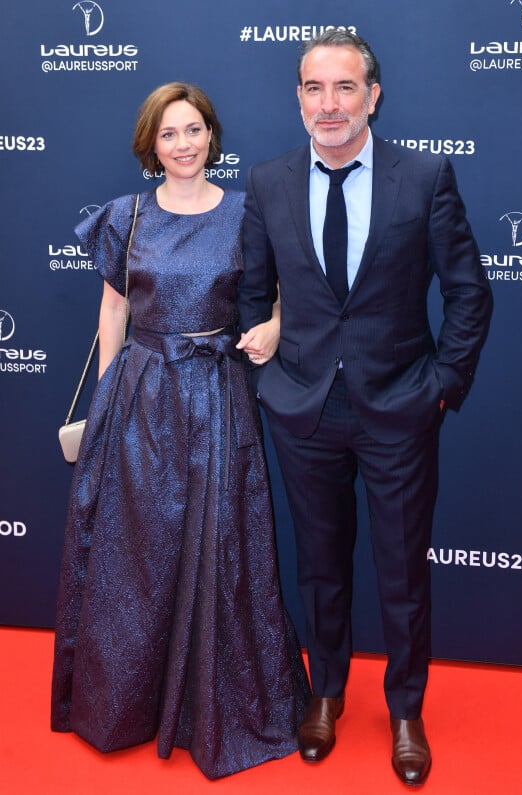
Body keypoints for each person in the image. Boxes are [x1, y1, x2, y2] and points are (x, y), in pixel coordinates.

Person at [237, 30, 493, 787]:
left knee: (401, 570)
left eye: (345, 87)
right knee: (319, 565)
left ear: (373, 96)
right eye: (314, 88)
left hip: (400, 406)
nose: (330, 104)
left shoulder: (424, 177)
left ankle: (406, 707)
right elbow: (255, 291)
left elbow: (469, 290)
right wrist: (269, 379)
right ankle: (325, 692)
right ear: (299, 98)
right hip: (303, 409)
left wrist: (442, 382)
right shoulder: (270, 181)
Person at [51, 82, 310, 780]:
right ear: (151, 145)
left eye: (194, 129)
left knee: (222, 546)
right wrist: (109, 392)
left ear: (212, 135)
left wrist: (275, 327)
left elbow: (286, 291)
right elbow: (113, 311)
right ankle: (123, 704)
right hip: (141, 395)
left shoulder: (246, 213)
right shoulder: (125, 216)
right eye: (169, 134)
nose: (184, 144)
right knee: (135, 555)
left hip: (217, 394)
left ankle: (212, 709)